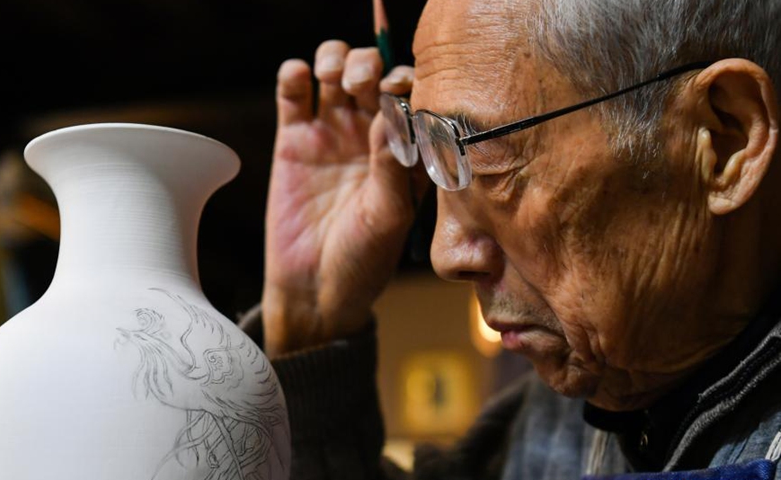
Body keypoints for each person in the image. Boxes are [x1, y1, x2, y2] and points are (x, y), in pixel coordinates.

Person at [239, 0, 781, 477]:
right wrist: (311, 320)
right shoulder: (539, 429)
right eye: (430, 156)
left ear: (724, 136)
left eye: (490, 161)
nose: (445, 254)